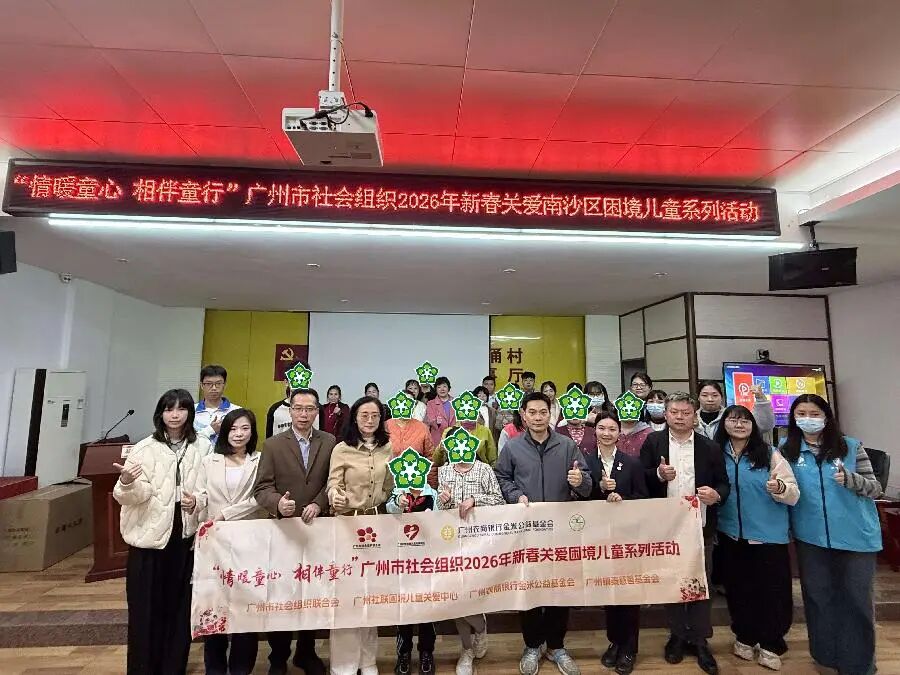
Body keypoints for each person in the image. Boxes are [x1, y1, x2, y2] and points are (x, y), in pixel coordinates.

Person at [780, 394, 882, 675]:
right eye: (801, 413)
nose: (808, 419)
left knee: (857, 601)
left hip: (856, 537)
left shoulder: (850, 446)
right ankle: (825, 658)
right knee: (818, 599)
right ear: (793, 418)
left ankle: (859, 664)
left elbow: (875, 488)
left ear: (826, 417)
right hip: (810, 538)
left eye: (814, 413)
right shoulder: (786, 450)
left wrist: (851, 480)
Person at [113, 389, 209, 675]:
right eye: (169, 409)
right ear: (160, 414)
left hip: (184, 539)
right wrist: (127, 482)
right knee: (144, 611)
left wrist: (197, 501)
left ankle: (173, 667)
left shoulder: (203, 446)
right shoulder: (145, 447)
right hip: (149, 541)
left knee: (179, 609)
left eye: (181, 409)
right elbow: (127, 495)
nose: (175, 415)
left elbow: (208, 489)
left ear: (190, 412)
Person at [494, 392, 591, 675]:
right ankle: (532, 645)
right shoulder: (512, 447)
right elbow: (501, 477)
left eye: (543, 412)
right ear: (523, 415)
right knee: (529, 589)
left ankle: (557, 646)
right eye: (532, 412)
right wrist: (516, 495)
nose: (538, 417)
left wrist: (579, 480)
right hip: (527, 531)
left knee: (560, 589)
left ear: (551, 414)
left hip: (561, 530)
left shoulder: (567, 445)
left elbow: (586, 483)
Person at [639, 392, 729, 675]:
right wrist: (658, 475)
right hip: (666, 529)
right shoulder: (653, 442)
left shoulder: (709, 447)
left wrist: (716, 495)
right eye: (674, 412)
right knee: (673, 582)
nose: (680, 417)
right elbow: (640, 479)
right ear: (666, 414)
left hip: (700, 527)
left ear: (694, 415)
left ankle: (700, 639)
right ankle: (677, 635)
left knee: (701, 582)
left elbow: (723, 484)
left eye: (686, 413)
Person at [254, 388, 336, 675]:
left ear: (317, 412)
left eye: (309, 409)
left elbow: (333, 481)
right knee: (282, 593)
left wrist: (318, 503)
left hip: (317, 529)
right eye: (298, 408)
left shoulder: (330, 442)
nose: (303, 414)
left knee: (312, 591)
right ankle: (278, 656)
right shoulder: (273, 445)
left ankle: (306, 651)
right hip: (284, 531)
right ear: (289, 411)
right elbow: (261, 488)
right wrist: (278, 503)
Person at [712, 405, 799, 672]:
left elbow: (793, 493)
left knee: (773, 591)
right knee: (738, 589)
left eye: (745, 421)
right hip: (730, 535)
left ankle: (773, 642)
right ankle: (745, 636)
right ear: (724, 424)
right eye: (733, 420)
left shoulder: (770, 454)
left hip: (767, 536)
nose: (739, 425)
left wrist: (780, 487)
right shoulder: (717, 454)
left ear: (753, 426)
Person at [327, 396, 395, 675]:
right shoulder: (342, 449)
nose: (369, 420)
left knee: (371, 594)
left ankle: (367, 660)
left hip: (378, 525)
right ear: (354, 417)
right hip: (347, 525)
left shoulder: (388, 448)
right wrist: (335, 496)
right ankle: (343, 665)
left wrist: (399, 499)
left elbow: (391, 487)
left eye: (375, 415)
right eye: (364, 415)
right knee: (346, 595)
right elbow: (332, 485)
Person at [196, 408, 267, 675]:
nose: (239, 434)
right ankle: (214, 667)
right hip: (214, 543)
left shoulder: (260, 460)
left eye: (245, 428)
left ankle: (241, 668)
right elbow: (201, 494)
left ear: (252, 432)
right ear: (225, 431)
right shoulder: (209, 461)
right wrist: (194, 503)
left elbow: (260, 497)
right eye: (233, 428)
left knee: (246, 608)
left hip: (248, 541)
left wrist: (225, 514)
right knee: (213, 606)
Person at [583, 412, 647, 675]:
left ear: (619, 433)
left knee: (628, 594)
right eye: (602, 428)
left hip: (626, 538)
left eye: (612, 429)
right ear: (595, 431)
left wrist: (623, 499)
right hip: (598, 539)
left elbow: (642, 497)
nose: (606, 433)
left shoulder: (631, 463)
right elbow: (579, 501)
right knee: (608, 593)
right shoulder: (585, 462)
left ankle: (630, 647)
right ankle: (615, 641)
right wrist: (598, 488)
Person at [436, 432, 505, 675]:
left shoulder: (484, 469)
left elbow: (499, 500)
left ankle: (480, 629)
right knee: (457, 596)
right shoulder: (444, 471)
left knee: (472, 593)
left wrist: (474, 499)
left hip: (481, 543)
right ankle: (467, 648)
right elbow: (439, 508)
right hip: (451, 542)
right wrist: (443, 499)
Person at [385, 476, 439, 675]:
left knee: (427, 610)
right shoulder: (397, 493)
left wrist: (434, 515)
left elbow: (441, 520)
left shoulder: (432, 494)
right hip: (402, 562)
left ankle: (426, 652)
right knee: (404, 610)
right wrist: (399, 503)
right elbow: (389, 509)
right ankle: (404, 653)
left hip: (427, 561)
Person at [696, 380, 774, 440]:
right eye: (704, 395)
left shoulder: (733, 415)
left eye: (715, 395)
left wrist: (760, 398)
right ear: (698, 397)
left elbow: (764, 426)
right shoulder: (692, 418)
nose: (710, 399)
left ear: (721, 397)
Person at [195, 365, 241, 443]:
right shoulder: (191, 411)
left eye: (218, 383)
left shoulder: (237, 411)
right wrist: (211, 430)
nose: (214, 388)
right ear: (202, 385)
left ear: (224, 385)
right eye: (209, 384)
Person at [424, 376, 456, 447]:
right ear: (436, 389)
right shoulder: (431, 403)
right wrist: (436, 422)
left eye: (444, 386)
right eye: (439, 387)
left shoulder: (456, 402)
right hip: (438, 439)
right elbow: (430, 420)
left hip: (455, 437)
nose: (442, 389)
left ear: (448, 388)